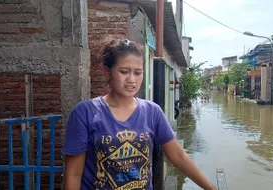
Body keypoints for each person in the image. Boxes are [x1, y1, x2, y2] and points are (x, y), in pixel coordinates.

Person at [62, 38, 217, 190]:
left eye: (138, 73)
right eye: (123, 72)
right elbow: (73, 175)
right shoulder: (84, 113)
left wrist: (210, 188)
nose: (132, 80)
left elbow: (178, 156)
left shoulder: (152, 112)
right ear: (108, 71)